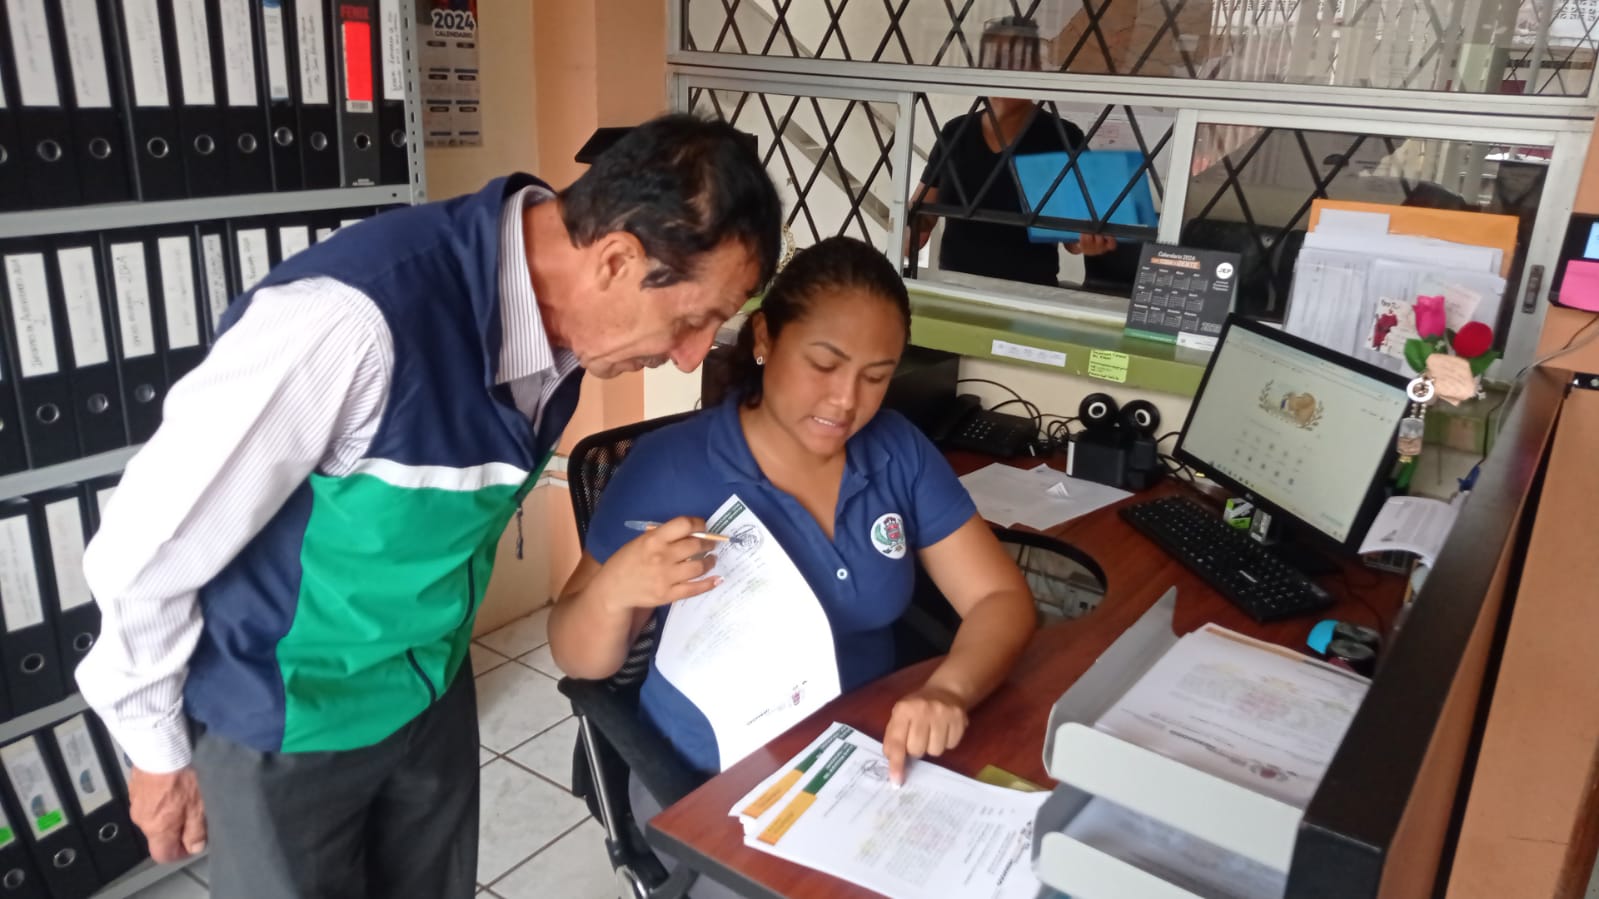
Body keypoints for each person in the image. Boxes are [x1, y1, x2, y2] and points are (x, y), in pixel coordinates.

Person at [75, 113, 782, 899]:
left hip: (429, 694)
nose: (690, 355)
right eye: (690, 320)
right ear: (615, 258)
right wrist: (155, 746)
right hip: (286, 719)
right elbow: (149, 544)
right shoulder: (351, 323)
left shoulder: (563, 331)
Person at [548, 237, 1037, 893]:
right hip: (713, 783)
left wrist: (949, 689)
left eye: (875, 376)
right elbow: (578, 658)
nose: (845, 401)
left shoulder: (895, 450)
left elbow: (999, 599)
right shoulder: (670, 466)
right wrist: (615, 592)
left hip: (870, 761)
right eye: (824, 364)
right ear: (764, 339)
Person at [908, 16, 1137, 288]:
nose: (1005, 71)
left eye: (1017, 61)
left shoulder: (1063, 138)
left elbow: (1074, 239)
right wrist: (908, 226)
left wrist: (1088, 241)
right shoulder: (955, 133)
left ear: (1036, 68)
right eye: (996, 61)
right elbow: (922, 216)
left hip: (1028, 296)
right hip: (957, 291)